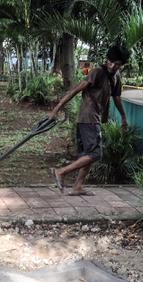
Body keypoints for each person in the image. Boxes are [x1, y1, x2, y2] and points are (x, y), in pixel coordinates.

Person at [49, 46, 131, 196]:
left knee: (88, 154)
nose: (113, 66)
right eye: (111, 62)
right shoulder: (97, 72)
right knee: (95, 154)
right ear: (107, 60)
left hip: (95, 119)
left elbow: (117, 98)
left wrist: (124, 118)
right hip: (88, 118)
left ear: (121, 65)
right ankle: (60, 172)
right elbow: (75, 90)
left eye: (117, 64)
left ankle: (77, 187)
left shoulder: (115, 78)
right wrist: (57, 108)